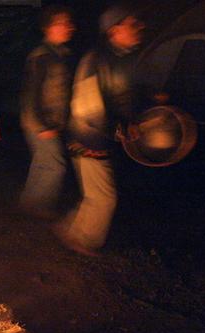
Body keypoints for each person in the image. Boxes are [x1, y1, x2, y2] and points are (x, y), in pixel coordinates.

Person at [55, 4, 145, 255]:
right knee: (104, 197)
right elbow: (89, 108)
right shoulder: (96, 60)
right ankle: (82, 239)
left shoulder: (118, 59)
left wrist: (128, 120)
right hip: (88, 137)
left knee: (95, 194)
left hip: (97, 136)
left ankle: (71, 232)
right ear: (114, 30)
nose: (140, 27)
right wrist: (119, 129)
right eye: (132, 23)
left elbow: (120, 96)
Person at [19, 5, 75, 220]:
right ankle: (39, 208)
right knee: (55, 165)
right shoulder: (42, 56)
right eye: (63, 23)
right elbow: (31, 93)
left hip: (50, 122)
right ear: (48, 28)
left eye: (69, 23)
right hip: (40, 123)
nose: (69, 27)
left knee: (43, 163)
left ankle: (28, 206)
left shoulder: (61, 55)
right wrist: (41, 126)